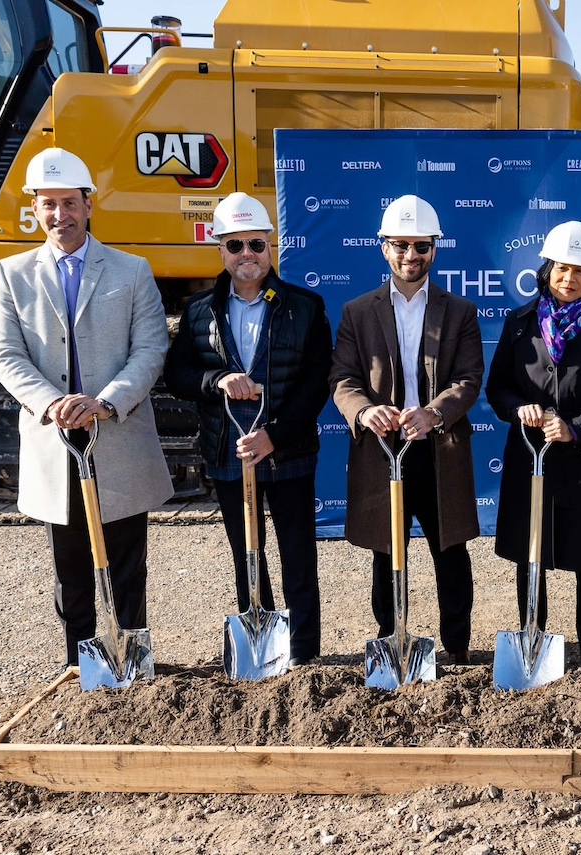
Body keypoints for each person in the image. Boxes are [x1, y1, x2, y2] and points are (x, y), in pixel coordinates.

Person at [0, 148, 172, 667]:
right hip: (55, 440)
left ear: (89, 205)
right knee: (70, 567)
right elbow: (3, 351)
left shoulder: (131, 271)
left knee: (128, 563)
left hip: (118, 436)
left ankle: (132, 668)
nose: (59, 215)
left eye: (69, 202)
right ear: (36, 209)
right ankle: (80, 670)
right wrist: (52, 404)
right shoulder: (12, 273)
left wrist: (107, 403)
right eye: (49, 204)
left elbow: (151, 347)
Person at [164, 192, 332, 667]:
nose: (247, 255)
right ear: (220, 250)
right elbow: (177, 378)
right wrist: (217, 380)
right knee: (247, 557)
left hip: (290, 454)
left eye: (256, 244)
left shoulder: (305, 306)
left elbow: (317, 383)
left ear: (270, 246)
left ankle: (302, 656)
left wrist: (273, 436)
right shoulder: (199, 312)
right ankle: (260, 650)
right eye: (235, 245)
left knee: (299, 559)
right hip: (229, 455)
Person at [329, 194, 484, 666]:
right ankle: (390, 638)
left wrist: (433, 413)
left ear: (434, 250)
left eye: (420, 247)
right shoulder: (358, 311)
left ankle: (457, 647)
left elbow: (469, 379)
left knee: (450, 551)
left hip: (441, 450)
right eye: (400, 246)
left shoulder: (460, 312)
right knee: (386, 551)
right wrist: (363, 412)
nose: (410, 256)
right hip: (384, 451)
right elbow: (343, 379)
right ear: (384, 248)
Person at [485, 221, 581, 662]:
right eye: (561, 269)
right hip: (529, 460)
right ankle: (533, 638)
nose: (569, 279)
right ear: (547, 271)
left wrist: (576, 427)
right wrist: (519, 410)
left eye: (580, 272)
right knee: (530, 555)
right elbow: (498, 390)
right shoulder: (519, 324)